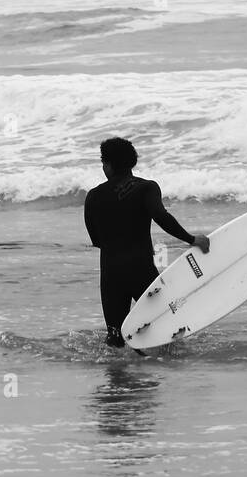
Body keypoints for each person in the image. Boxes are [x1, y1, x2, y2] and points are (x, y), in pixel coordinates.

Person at [83, 137, 210, 348]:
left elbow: (96, 239)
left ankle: (118, 376)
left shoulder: (93, 196)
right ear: (132, 162)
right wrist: (191, 239)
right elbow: (161, 216)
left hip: (110, 274)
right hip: (141, 269)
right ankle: (167, 369)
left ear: (108, 165)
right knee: (170, 328)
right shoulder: (146, 188)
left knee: (115, 337)